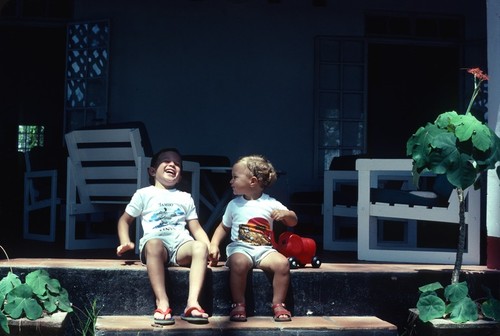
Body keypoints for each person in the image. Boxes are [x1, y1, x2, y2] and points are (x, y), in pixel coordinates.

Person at [116, 148, 212, 325]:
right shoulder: (144, 194)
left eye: (177, 164)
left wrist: (209, 247)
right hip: (156, 246)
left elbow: (196, 228)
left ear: (180, 175)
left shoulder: (185, 197)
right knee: (153, 244)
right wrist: (125, 242)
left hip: (180, 245)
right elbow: (124, 220)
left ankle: (192, 302)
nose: (172, 165)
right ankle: (162, 301)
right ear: (152, 171)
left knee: (200, 247)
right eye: (166, 161)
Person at [209, 154, 298, 322]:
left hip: (264, 250)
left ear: (253, 181)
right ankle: (239, 304)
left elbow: (293, 219)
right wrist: (214, 244)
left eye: (235, 177)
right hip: (240, 248)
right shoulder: (234, 204)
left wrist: (286, 214)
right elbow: (223, 227)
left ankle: (278, 303)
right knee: (239, 263)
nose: (231, 181)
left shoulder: (270, 203)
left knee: (282, 264)